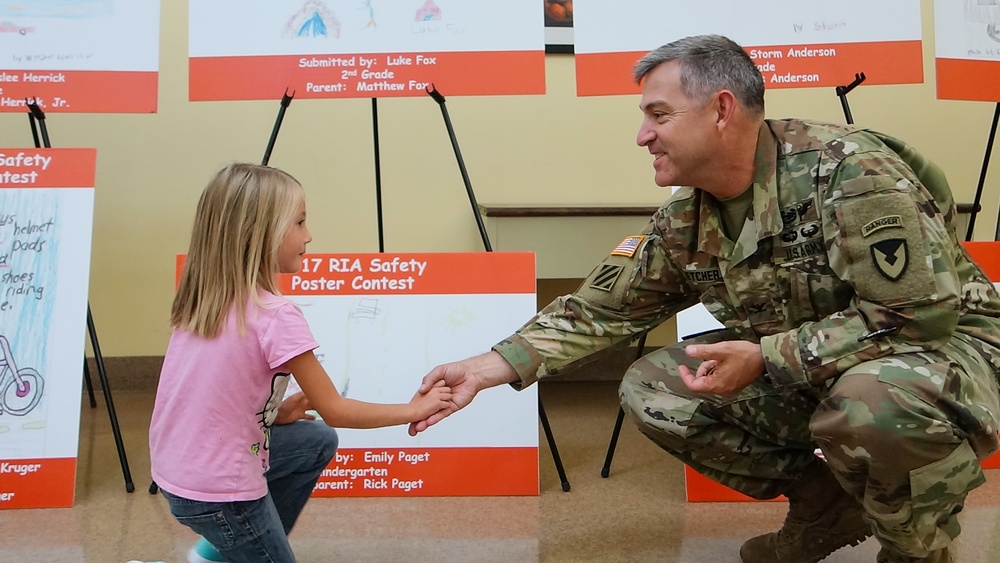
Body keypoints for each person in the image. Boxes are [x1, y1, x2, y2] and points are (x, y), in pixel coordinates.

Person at [408, 35, 1000, 563]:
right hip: (822, 368)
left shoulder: (851, 174)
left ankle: (917, 547)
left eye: (658, 115)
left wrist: (767, 358)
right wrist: (486, 368)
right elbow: (598, 310)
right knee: (653, 387)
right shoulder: (684, 220)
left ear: (721, 109)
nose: (642, 135)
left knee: (873, 397)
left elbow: (917, 314)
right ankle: (824, 505)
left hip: (942, 359)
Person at [149, 163, 452, 563]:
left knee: (315, 441)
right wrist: (415, 409)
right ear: (257, 233)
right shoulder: (276, 315)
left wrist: (275, 414)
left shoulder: (203, 299)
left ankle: (218, 552)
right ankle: (235, 540)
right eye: (300, 222)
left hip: (177, 473)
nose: (308, 236)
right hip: (221, 490)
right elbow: (336, 409)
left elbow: (203, 401)